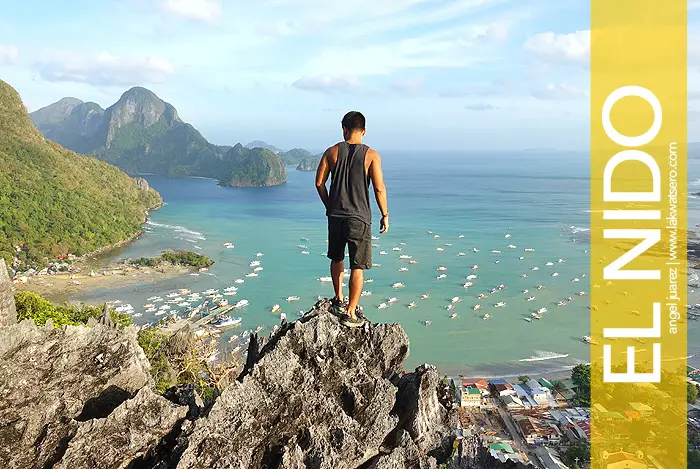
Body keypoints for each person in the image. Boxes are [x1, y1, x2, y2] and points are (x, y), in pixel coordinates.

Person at [315, 111, 389, 327]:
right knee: (358, 266)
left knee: (336, 258)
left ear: (344, 129)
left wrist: (330, 205)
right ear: (364, 131)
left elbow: (319, 183)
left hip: (336, 215)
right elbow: (378, 188)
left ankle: (338, 298)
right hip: (360, 217)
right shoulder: (372, 156)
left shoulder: (331, 152)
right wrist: (385, 214)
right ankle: (350, 312)